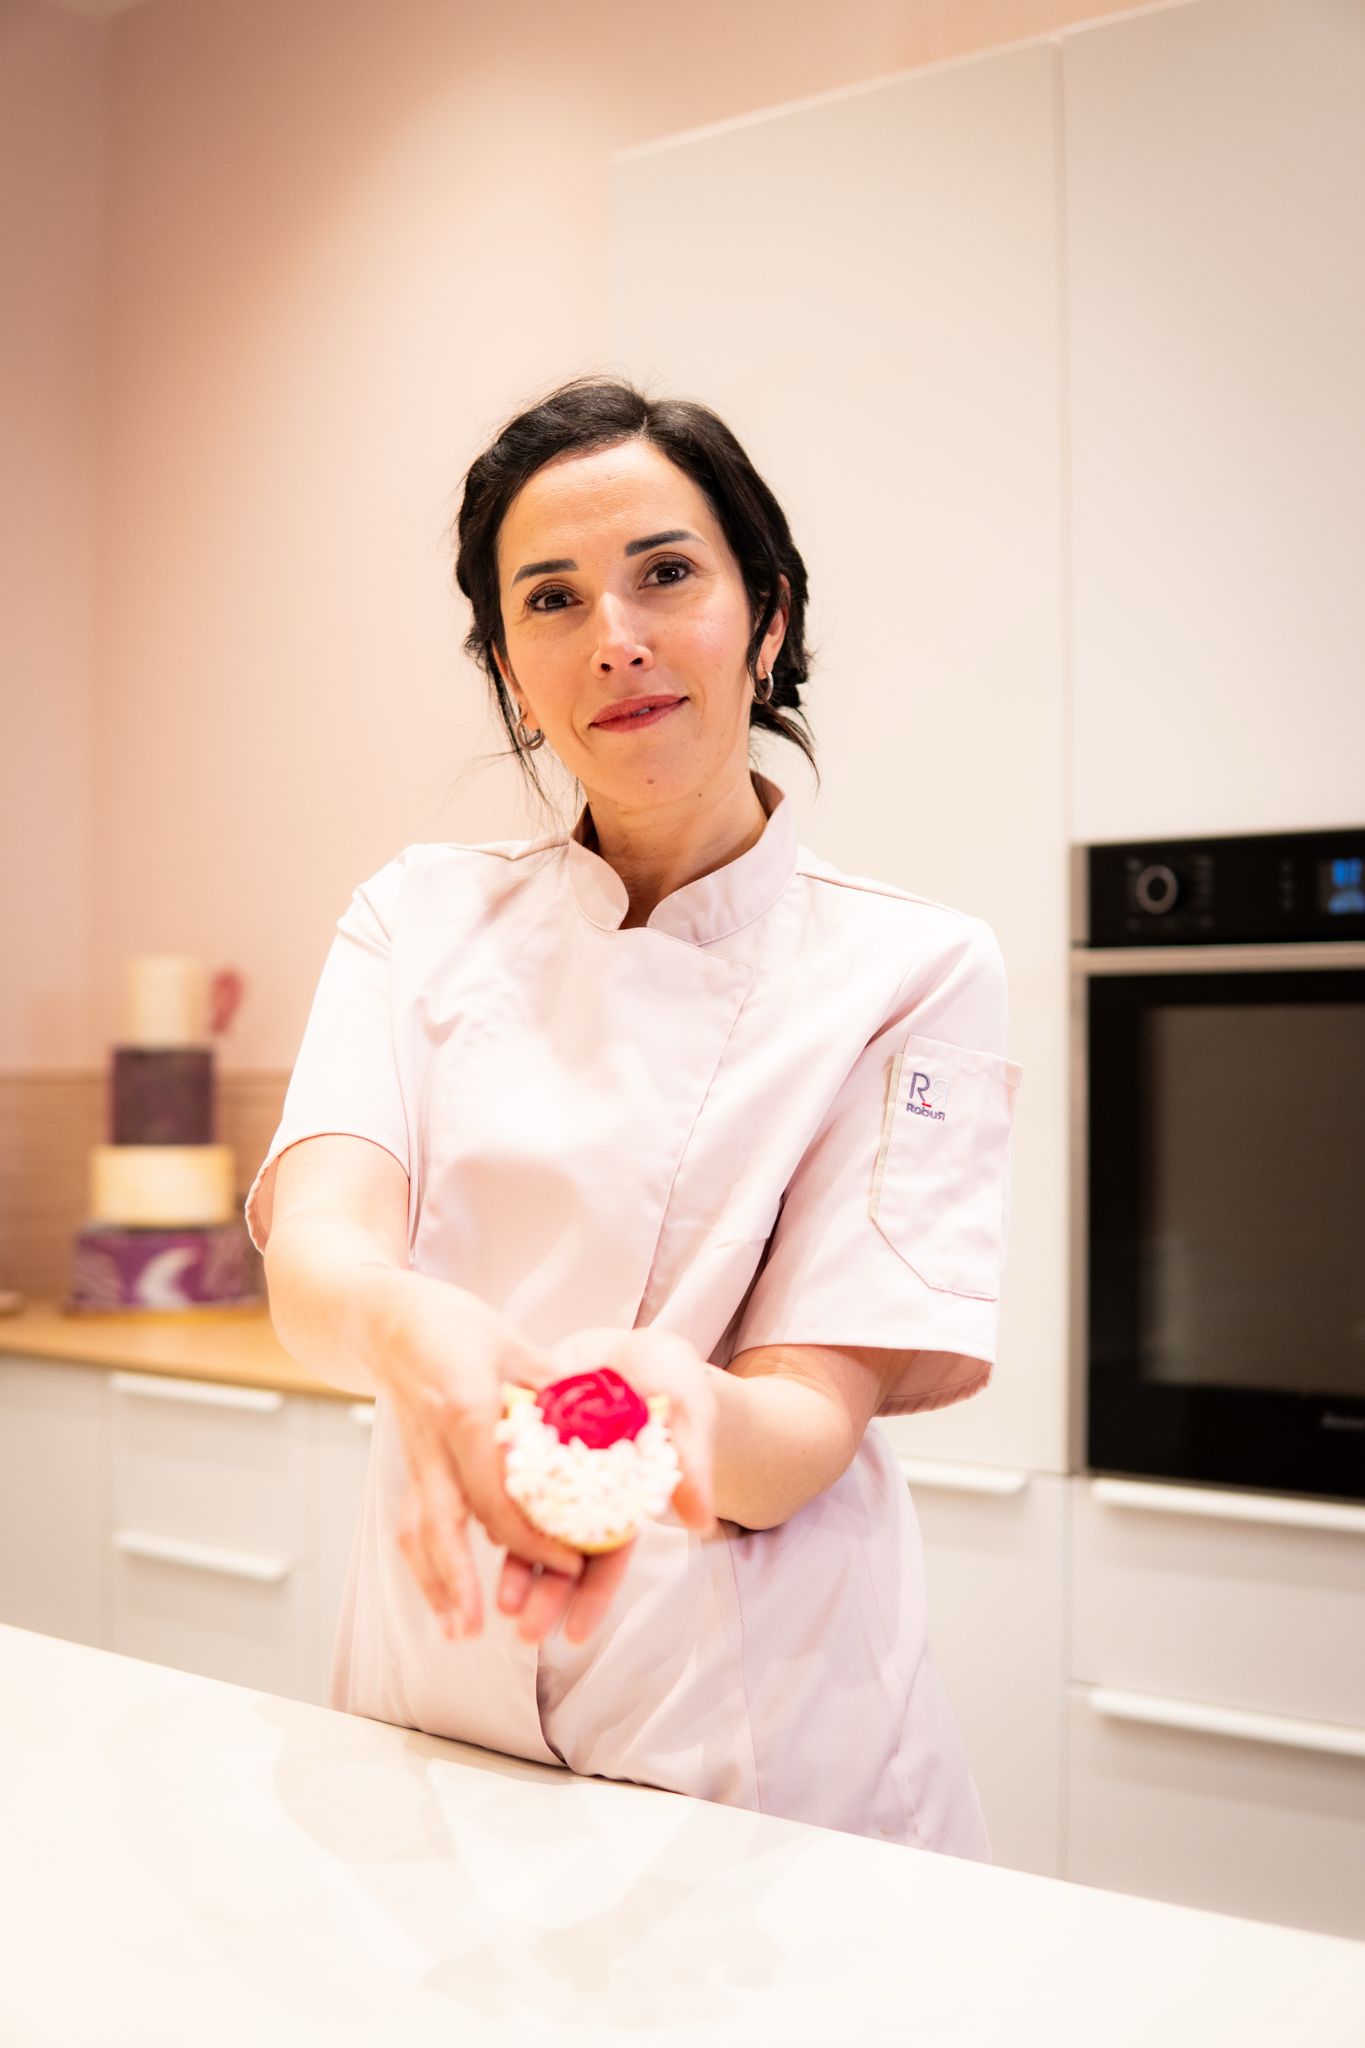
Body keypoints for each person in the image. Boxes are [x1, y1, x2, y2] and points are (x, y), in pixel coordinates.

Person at [245, 374, 1024, 1856]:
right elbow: (323, 1268)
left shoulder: (910, 969)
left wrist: (661, 1415)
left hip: (764, 1764)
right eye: (549, 600)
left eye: (666, 573)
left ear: (768, 614)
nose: (614, 638)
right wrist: (424, 1342)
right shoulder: (412, 918)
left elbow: (802, 1421)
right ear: (509, 670)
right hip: (433, 1721)